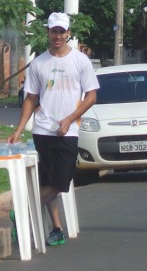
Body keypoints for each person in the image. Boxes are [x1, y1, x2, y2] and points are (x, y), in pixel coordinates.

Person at [9, 13, 98, 246]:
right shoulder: (38, 63)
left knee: (61, 181)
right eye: (53, 31)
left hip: (67, 131)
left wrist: (70, 119)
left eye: (61, 31)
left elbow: (91, 96)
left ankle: (23, 211)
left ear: (68, 33)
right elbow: (30, 98)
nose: (57, 35)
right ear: (47, 32)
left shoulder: (80, 61)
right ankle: (56, 228)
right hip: (42, 130)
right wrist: (19, 130)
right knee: (47, 181)